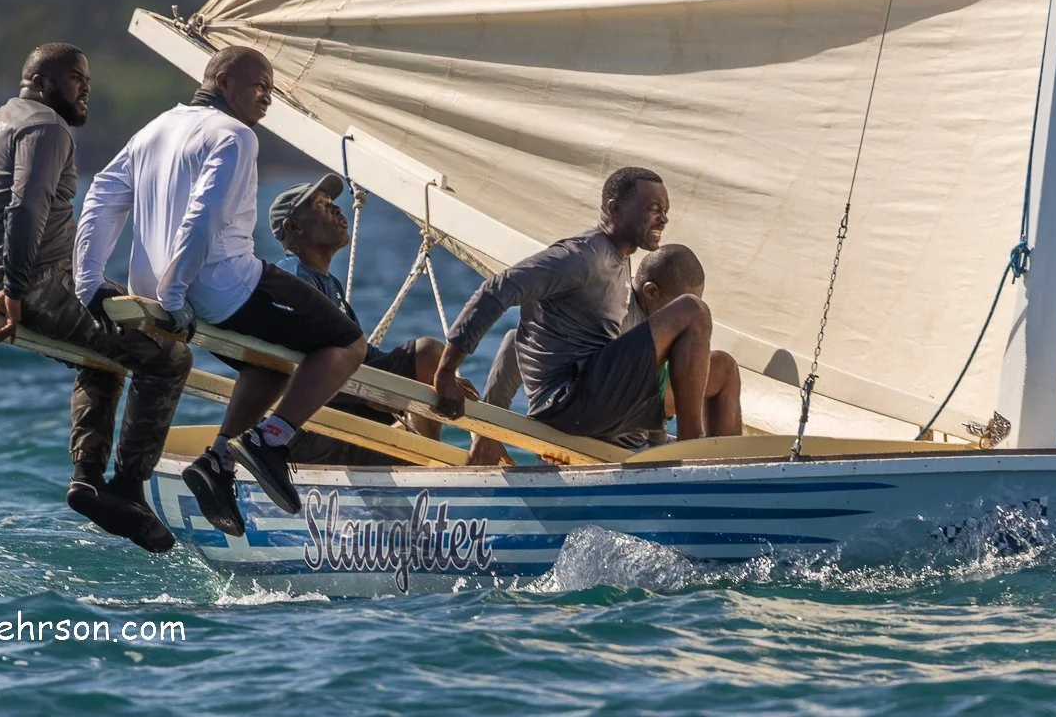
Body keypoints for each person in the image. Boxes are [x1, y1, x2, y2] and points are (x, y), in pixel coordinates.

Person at [74, 46, 367, 538]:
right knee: (347, 343)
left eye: (271, 91)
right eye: (259, 86)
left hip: (166, 287)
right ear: (224, 80)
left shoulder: (156, 128)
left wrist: (90, 280)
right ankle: (271, 442)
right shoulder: (235, 136)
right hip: (219, 286)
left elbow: (102, 194)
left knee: (269, 361)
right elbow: (203, 217)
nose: (267, 98)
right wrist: (173, 297)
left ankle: (218, 462)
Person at [0, 43, 192, 554]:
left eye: (87, 79)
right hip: (34, 287)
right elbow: (25, 205)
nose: (86, 87)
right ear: (40, 81)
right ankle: (128, 489)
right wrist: (15, 292)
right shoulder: (46, 128)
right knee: (169, 358)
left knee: (108, 350)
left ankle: (87, 482)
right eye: (74, 77)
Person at [433, 166, 722, 449]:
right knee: (692, 310)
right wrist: (447, 371)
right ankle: (691, 446)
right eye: (653, 209)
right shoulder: (582, 257)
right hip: (567, 401)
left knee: (723, 366)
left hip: (593, 400)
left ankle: (724, 472)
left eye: (665, 211)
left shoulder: (619, 261)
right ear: (615, 208)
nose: (663, 219)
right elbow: (499, 288)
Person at [250, 175, 459, 466]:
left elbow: (362, 353)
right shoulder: (294, 281)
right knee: (428, 352)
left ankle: (425, 458)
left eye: (334, 203)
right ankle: (426, 466)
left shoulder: (328, 284)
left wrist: (435, 378)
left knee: (432, 365)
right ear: (293, 227)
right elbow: (297, 366)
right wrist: (368, 395)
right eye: (322, 205)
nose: (337, 210)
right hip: (305, 431)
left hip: (336, 411)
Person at [469, 243, 743, 464]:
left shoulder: (652, 330)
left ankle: (732, 474)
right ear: (651, 292)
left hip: (634, 435)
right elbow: (515, 341)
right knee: (701, 330)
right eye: (677, 303)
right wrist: (486, 433)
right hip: (592, 437)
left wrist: (658, 442)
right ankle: (695, 454)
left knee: (724, 367)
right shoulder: (613, 311)